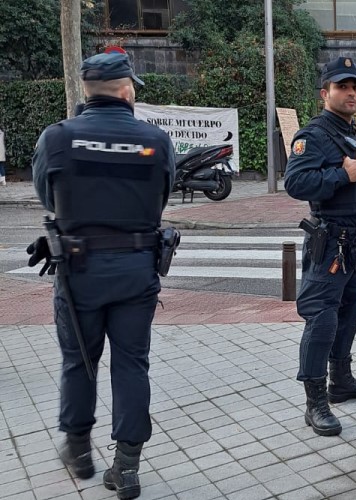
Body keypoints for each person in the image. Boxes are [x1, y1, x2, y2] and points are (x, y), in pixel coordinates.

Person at [29, 51, 175, 499]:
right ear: (127, 90)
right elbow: (163, 195)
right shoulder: (155, 141)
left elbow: (47, 196)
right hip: (136, 270)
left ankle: (78, 450)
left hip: (79, 273)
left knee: (79, 362)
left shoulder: (57, 137)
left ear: (86, 90)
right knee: (132, 364)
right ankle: (127, 468)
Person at [284, 56, 356, 437]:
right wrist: (341, 174)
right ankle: (315, 402)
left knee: (350, 311)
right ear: (324, 93)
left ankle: (341, 380)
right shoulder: (313, 136)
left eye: (355, 87)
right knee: (323, 319)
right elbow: (296, 183)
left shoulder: (355, 135)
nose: (351, 93)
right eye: (342, 86)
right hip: (330, 244)